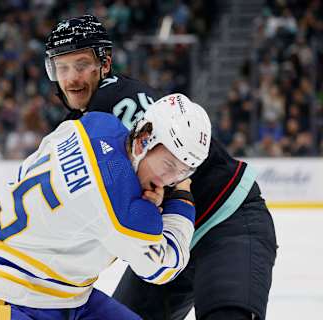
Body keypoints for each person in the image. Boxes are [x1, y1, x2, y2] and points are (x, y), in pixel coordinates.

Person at [45, 15, 277, 320]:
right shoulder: (81, 123)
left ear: (105, 63)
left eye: (81, 64)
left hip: (227, 222)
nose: (72, 78)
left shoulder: (112, 102)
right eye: (62, 67)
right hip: (169, 239)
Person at [0, 95, 212, 319]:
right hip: (0, 295)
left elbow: (27, 169)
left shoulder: (96, 123)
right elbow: (164, 267)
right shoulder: (125, 209)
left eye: (183, 172)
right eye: (169, 165)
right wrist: (182, 198)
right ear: (144, 140)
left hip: (60, 292)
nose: (170, 181)